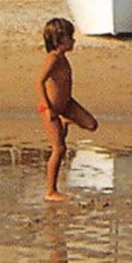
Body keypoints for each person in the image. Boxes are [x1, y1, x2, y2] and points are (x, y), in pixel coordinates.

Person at [37, 16, 97, 201]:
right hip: (50, 109)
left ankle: (67, 120)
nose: (73, 41)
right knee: (59, 149)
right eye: (70, 37)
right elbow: (39, 82)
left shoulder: (62, 58)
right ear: (59, 40)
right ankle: (50, 191)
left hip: (66, 104)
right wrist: (47, 107)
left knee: (91, 124)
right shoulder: (52, 59)